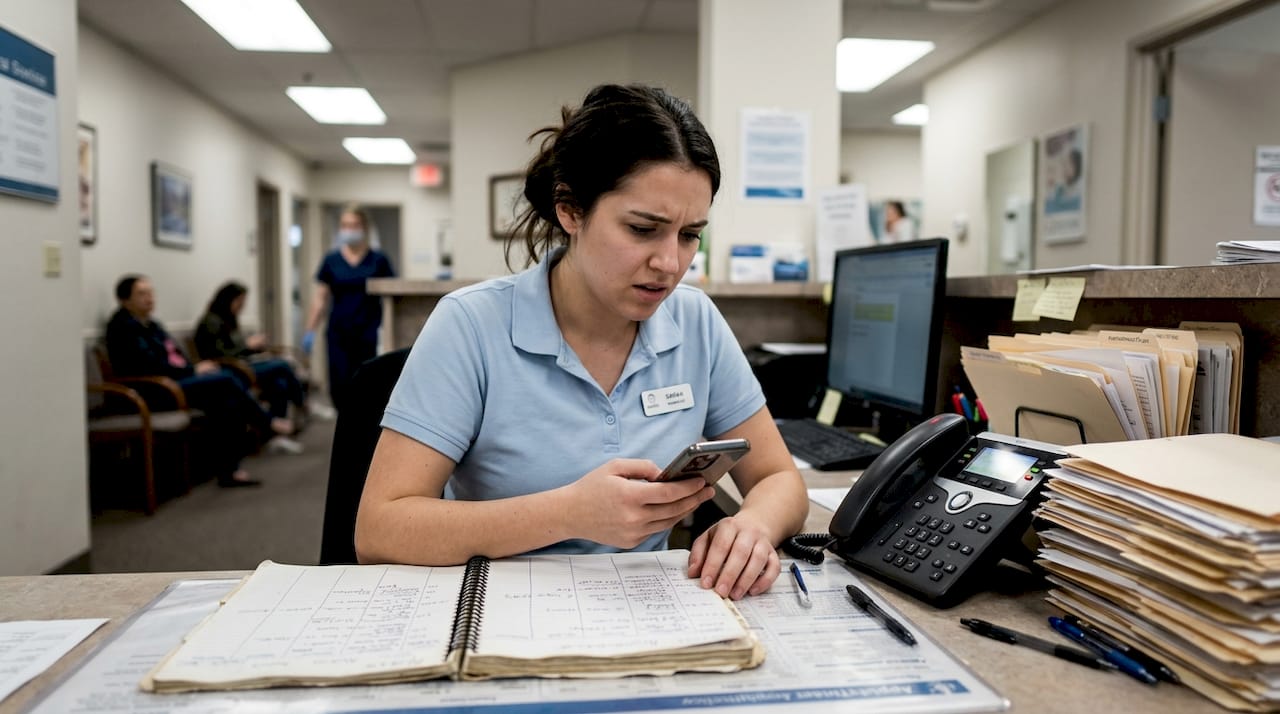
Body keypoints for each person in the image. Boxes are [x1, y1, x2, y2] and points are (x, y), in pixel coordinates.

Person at [355, 84, 809, 601]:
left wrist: (752, 527)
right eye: (642, 229)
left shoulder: (695, 320)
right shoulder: (470, 324)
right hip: (502, 611)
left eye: (689, 235)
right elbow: (380, 530)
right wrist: (568, 513)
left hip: (646, 613)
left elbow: (778, 478)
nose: (670, 263)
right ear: (570, 210)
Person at [106, 275, 293, 487]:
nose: (149, 298)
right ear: (125, 300)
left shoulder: (151, 324)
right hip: (154, 390)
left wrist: (194, 369)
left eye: (151, 293)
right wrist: (193, 370)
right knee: (226, 379)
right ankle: (266, 422)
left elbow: (175, 355)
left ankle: (229, 471)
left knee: (227, 400)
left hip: (175, 381)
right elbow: (150, 366)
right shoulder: (123, 327)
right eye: (142, 294)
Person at [195, 281, 307, 453]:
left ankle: (275, 436)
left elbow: (237, 350)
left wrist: (255, 347)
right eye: (239, 302)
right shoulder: (211, 321)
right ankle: (303, 404)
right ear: (228, 300)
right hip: (231, 371)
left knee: (279, 382)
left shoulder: (228, 319)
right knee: (282, 364)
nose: (242, 306)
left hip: (241, 366)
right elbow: (219, 355)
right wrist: (248, 345)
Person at [302, 204, 396, 412]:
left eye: (354, 225)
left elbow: (392, 297)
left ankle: (363, 426)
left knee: (366, 385)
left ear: (365, 228)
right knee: (339, 384)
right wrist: (310, 330)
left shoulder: (379, 260)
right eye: (345, 225)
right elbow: (320, 298)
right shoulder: (331, 260)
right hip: (338, 332)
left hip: (367, 332)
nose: (349, 230)